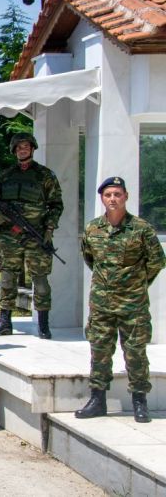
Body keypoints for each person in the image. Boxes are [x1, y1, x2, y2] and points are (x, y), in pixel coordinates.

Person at [76, 177, 165, 423]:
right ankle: (97, 400)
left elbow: (157, 261)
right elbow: (90, 259)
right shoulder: (93, 229)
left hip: (133, 304)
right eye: (108, 195)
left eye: (117, 194)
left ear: (126, 196)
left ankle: (140, 401)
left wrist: (136, 283)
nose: (113, 199)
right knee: (99, 351)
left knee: (135, 353)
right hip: (101, 304)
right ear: (102, 199)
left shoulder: (141, 229)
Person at [0, 133, 63, 339]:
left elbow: (56, 205)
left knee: (40, 281)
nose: (23, 150)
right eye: (19, 147)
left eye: (26, 146)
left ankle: (43, 325)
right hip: (10, 235)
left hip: (36, 235)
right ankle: (5, 322)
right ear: (14, 150)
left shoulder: (45, 176)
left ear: (32, 148)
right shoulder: (4, 176)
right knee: (7, 278)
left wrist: (49, 229)